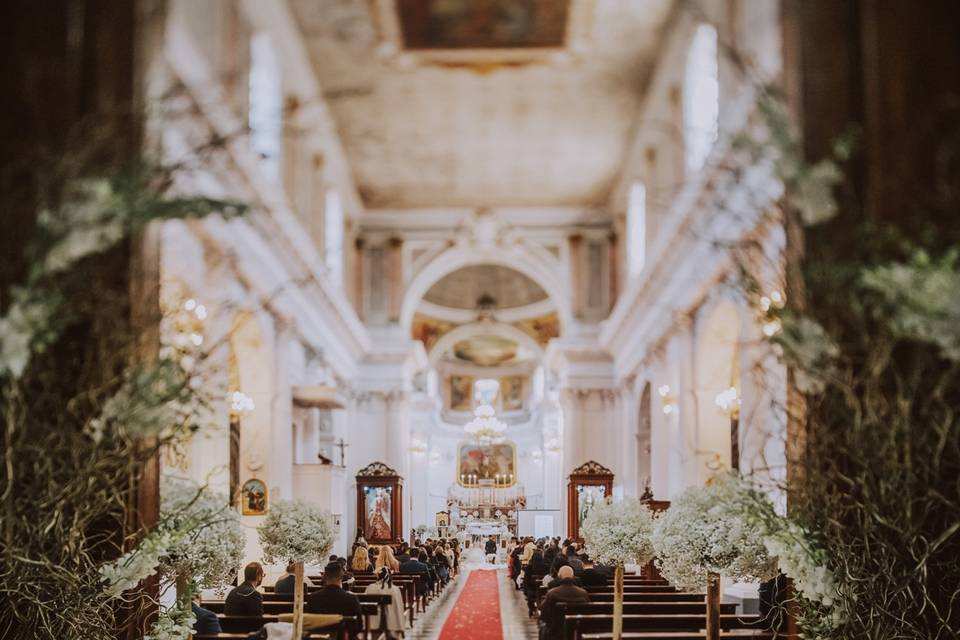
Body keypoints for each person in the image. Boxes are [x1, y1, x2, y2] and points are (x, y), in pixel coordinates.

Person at [305, 562, 362, 638]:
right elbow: (359, 627)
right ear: (342, 577)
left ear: (324, 577)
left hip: (320, 638)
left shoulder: (313, 598)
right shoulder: (351, 599)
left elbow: (309, 623)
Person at [539, 566, 590, 640]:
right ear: (573, 577)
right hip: (576, 631)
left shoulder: (552, 593)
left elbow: (544, 615)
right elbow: (587, 612)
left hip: (555, 631)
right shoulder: (583, 593)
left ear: (559, 577)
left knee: (542, 628)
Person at [523, 548, 549, 616]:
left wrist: (525, 591)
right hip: (543, 589)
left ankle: (532, 609)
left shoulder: (529, 567)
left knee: (529, 591)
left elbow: (526, 580)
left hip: (532, 589)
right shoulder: (546, 566)